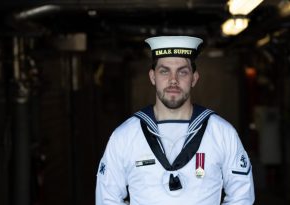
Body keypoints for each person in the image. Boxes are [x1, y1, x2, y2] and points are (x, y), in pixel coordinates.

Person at [96, 36, 255, 205]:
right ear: (152, 77)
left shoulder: (222, 133)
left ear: (194, 78)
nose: (173, 80)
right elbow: (108, 199)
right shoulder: (124, 136)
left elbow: (242, 196)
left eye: (182, 71)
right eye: (164, 71)